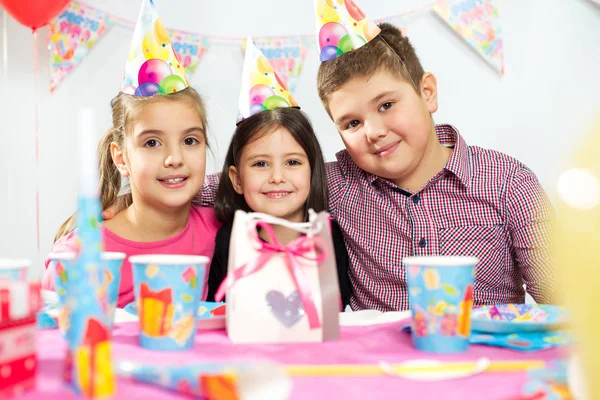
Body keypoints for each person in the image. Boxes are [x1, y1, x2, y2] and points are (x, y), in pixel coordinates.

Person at [201, 18, 556, 310]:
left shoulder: (507, 181)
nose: (373, 131)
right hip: (373, 371)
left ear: (426, 93)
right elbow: (230, 182)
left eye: (386, 105)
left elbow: (563, 299)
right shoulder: (335, 183)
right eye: (352, 123)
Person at [43, 0, 220, 307]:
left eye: (190, 141)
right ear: (121, 158)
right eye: (152, 143)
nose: (174, 158)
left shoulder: (219, 229)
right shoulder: (79, 257)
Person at [206, 107, 352, 309]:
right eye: (260, 164)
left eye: (292, 162)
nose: (277, 177)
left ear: (312, 172)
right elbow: (214, 308)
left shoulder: (328, 239)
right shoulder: (229, 240)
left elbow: (338, 308)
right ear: (237, 179)